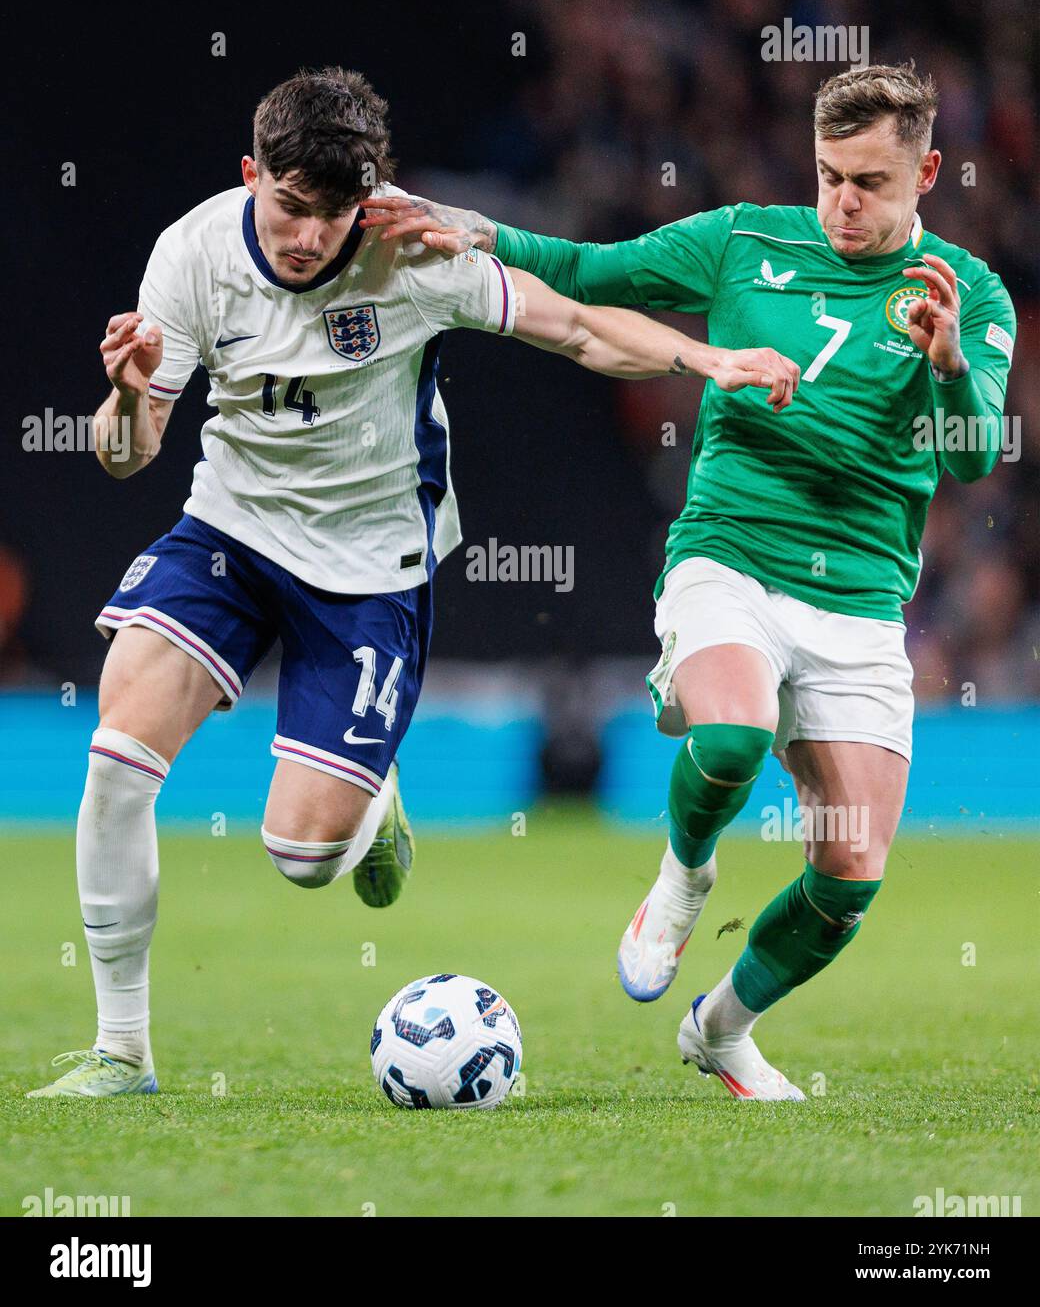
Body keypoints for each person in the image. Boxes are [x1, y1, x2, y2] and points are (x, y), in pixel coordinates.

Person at [29, 67, 798, 1098]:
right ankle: (122, 1051)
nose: (307, 236)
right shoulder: (195, 254)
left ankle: (369, 798)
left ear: (369, 197)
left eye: (332, 213)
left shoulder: (412, 255)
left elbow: (571, 325)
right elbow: (124, 453)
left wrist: (706, 362)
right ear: (250, 173)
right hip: (229, 532)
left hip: (367, 571)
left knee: (301, 858)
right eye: (289, 207)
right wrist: (124, 398)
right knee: (117, 758)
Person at [362, 63, 1016, 1100]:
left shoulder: (965, 295)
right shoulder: (744, 240)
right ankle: (681, 878)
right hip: (731, 554)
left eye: (869, 183)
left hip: (858, 598)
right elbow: (588, 269)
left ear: (925, 172)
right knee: (730, 737)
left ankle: (718, 1027)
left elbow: (977, 454)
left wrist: (944, 363)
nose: (842, 202)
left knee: (848, 878)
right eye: (828, 175)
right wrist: (476, 230)